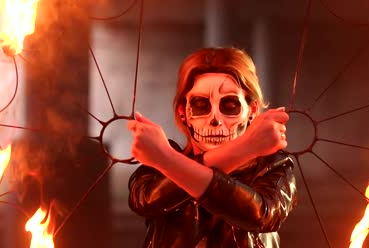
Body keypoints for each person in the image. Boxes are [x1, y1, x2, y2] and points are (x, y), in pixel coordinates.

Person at [127, 47, 297, 248]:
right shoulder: (158, 164)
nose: (215, 120)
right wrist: (247, 146)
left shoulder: (272, 166)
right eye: (200, 105)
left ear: (251, 111)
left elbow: (261, 215)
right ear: (183, 112)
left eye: (230, 105)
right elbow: (146, 199)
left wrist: (165, 158)